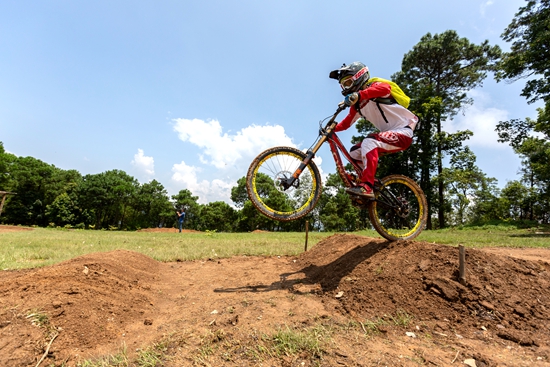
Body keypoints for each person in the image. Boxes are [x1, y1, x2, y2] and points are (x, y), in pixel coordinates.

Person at [329, 62, 418, 198]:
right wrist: (332, 129)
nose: (346, 88)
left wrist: (359, 95)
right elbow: (347, 123)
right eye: (343, 85)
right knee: (353, 153)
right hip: (387, 136)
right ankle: (364, 181)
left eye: (347, 83)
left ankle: (367, 186)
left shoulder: (374, 86)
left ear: (358, 77)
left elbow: (385, 89)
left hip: (403, 132)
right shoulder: (357, 106)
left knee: (369, 141)